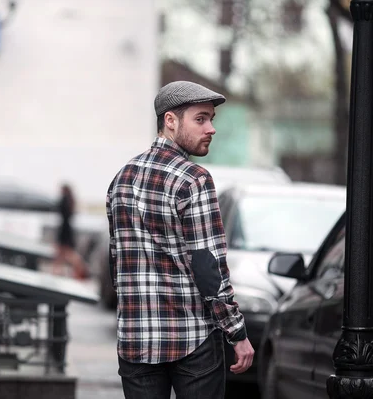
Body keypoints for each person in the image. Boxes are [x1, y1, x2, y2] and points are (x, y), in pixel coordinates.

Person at [106, 81, 254, 399]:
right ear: (170, 121)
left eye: (211, 119)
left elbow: (116, 262)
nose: (211, 128)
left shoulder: (121, 178)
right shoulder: (193, 179)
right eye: (200, 119)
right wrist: (236, 332)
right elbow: (207, 265)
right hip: (192, 339)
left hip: (135, 341)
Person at [52, 184, 89, 279]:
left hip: (64, 230)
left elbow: (60, 210)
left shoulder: (65, 199)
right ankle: (56, 272)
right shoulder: (70, 200)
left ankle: (80, 269)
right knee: (62, 253)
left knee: (65, 253)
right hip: (66, 228)